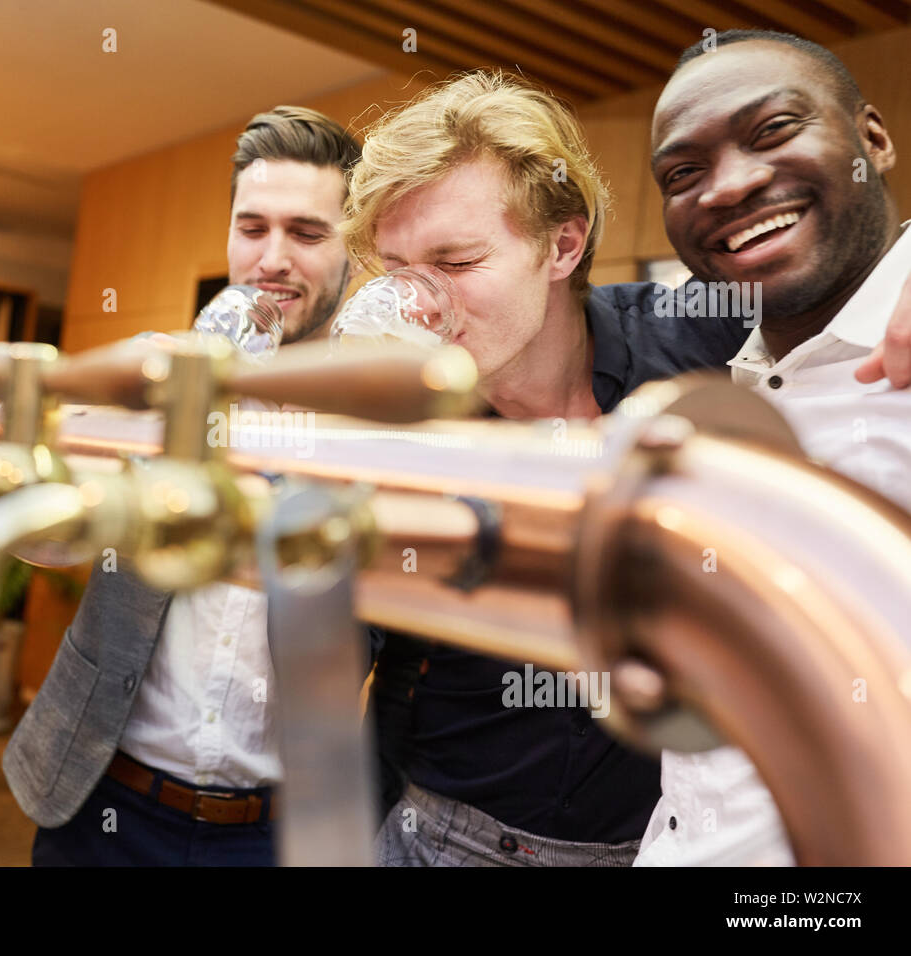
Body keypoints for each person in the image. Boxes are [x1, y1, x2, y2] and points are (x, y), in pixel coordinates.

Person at [340, 64, 911, 866]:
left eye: (458, 262)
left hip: (653, 844)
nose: (419, 302)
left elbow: (845, 280)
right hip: (443, 833)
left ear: (563, 243)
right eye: (397, 271)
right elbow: (325, 657)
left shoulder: (712, 342)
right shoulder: (395, 425)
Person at [3, 105, 364, 865]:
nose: (272, 258)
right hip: (101, 799)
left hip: (277, 834)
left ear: (355, 247)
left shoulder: (376, 426)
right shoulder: (151, 376)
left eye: (306, 233)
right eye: (252, 227)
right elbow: (42, 541)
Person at [636, 28, 911, 866]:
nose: (733, 186)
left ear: (873, 139)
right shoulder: (720, 376)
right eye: (685, 173)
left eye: (773, 131)